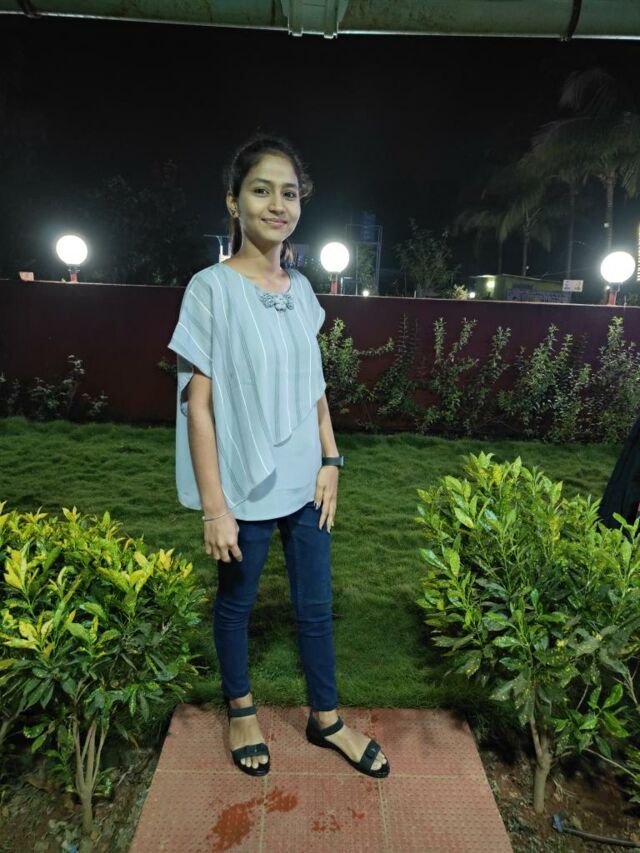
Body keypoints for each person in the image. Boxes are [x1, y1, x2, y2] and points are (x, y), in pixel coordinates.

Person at [167, 134, 389, 779]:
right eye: (261, 190)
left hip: (306, 482)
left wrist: (331, 461)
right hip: (245, 485)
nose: (277, 204)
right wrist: (216, 508)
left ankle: (327, 720)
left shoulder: (302, 289)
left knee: (315, 608)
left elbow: (313, 385)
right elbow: (199, 407)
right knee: (236, 605)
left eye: (288, 193)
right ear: (233, 202)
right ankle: (241, 711)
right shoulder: (210, 288)